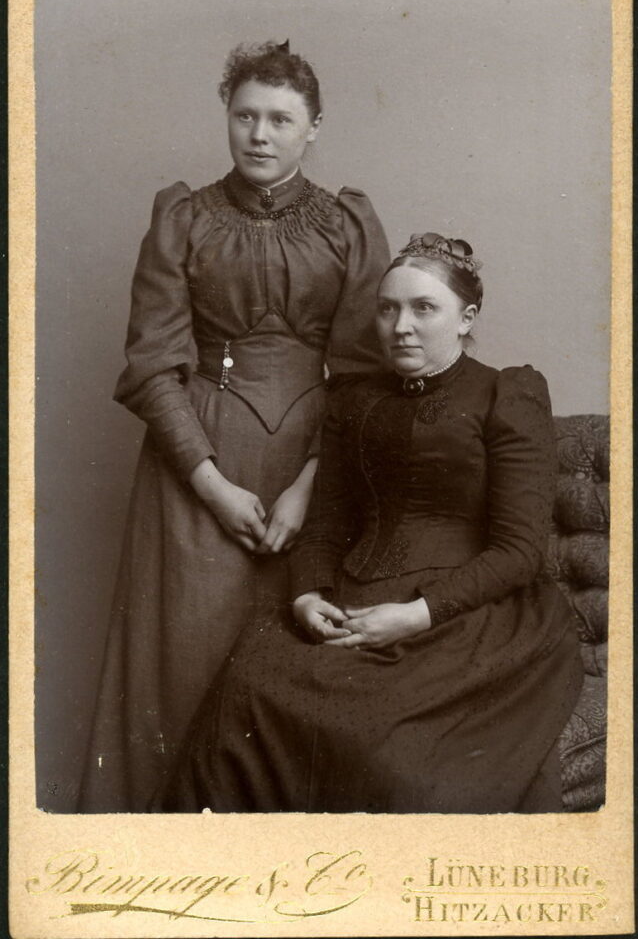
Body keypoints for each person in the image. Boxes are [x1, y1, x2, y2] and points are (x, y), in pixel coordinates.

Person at [155, 233, 584, 814]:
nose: (401, 326)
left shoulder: (506, 395)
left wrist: (414, 616)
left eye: (424, 308)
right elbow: (325, 524)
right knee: (243, 696)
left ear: (466, 318)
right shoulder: (354, 399)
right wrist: (307, 595)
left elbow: (519, 552)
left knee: (387, 753)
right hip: (353, 595)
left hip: (468, 613)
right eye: (388, 309)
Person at [78, 41, 390, 812]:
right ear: (227, 116)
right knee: (182, 666)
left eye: (280, 119)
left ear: (313, 127)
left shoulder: (348, 223)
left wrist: (309, 487)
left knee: (291, 677)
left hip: (313, 464)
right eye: (245, 115)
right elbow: (153, 366)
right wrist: (211, 484)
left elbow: (363, 376)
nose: (260, 134)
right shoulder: (183, 218)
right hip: (195, 466)